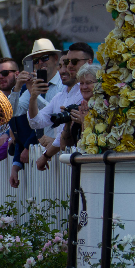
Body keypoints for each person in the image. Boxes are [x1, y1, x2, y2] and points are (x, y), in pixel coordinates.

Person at [29, 43, 91, 172]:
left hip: (80, 160)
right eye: (67, 62)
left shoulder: (86, 92)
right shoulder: (59, 96)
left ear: (89, 62)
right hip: (62, 163)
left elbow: (61, 134)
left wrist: (46, 155)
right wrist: (33, 97)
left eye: (74, 62)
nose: (68, 67)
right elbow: (36, 122)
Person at [60, 63, 97, 149]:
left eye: (88, 83)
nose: (84, 87)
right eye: (81, 83)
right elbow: (64, 147)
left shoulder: (104, 108)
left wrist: (85, 123)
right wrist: (67, 124)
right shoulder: (80, 108)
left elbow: (89, 147)